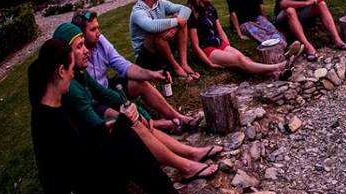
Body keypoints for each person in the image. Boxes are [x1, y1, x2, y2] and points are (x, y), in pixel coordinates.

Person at [29, 38, 208, 194]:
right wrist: (121, 125)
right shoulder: (49, 120)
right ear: (60, 71)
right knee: (128, 142)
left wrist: (112, 126)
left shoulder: (51, 106)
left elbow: (79, 144)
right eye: (71, 69)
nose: (73, 75)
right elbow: (85, 163)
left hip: (83, 188)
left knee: (126, 136)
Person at [54, 23, 221, 183]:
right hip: (89, 146)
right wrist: (127, 119)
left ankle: (190, 152)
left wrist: (141, 111)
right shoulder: (72, 88)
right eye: (79, 46)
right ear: (66, 54)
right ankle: (185, 165)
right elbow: (96, 128)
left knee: (136, 118)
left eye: (84, 44)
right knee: (134, 124)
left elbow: (107, 93)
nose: (85, 51)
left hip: (96, 113)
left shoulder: (78, 73)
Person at [72, 10, 201, 133]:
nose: (98, 33)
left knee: (140, 83)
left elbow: (123, 66)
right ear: (81, 35)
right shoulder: (76, 56)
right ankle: (162, 124)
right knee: (122, 115)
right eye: (93, 29)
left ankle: (178, 117)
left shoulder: (100, 41)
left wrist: (153, 74)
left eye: (98, 28)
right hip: (92, 101)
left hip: (105, 88)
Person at [187, 0, 295, 78]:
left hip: (219, 44)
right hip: (207, 49)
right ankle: (278, 67)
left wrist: (228, 47)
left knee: (244, 58)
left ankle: (277, 74)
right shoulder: (193, 15)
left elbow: (220, 31)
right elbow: (196, 46)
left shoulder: (210, 8)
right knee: (240, 60)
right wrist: (208, 63)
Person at [129, 0, 198, 80]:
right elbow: (151, 26)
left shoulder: (160, 3)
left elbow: (185, 9)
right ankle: (176, 67)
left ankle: (183, 63)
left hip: (161, 48)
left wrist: (177, 24)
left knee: (182, 23)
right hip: (146, 57)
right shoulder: (138, 12)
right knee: (156, 32)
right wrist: (176, 21)